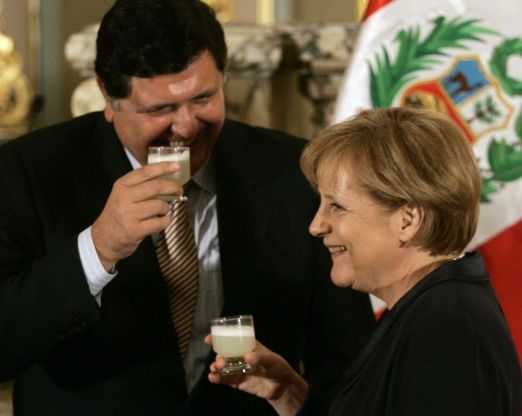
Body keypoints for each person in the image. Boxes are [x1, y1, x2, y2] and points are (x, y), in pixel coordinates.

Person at [0, 0, 376, 415]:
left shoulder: (295, 171)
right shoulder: (28, 172)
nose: (185, 126)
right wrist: (99, 247)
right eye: (160, 109)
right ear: (108, 97)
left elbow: (349, 359)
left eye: (203, 98)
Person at [208, 107, 522, 415]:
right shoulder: (430, 310)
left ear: (407, 220)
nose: (316, 225)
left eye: (337, 206)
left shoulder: (446, 325)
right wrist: (289, 393)